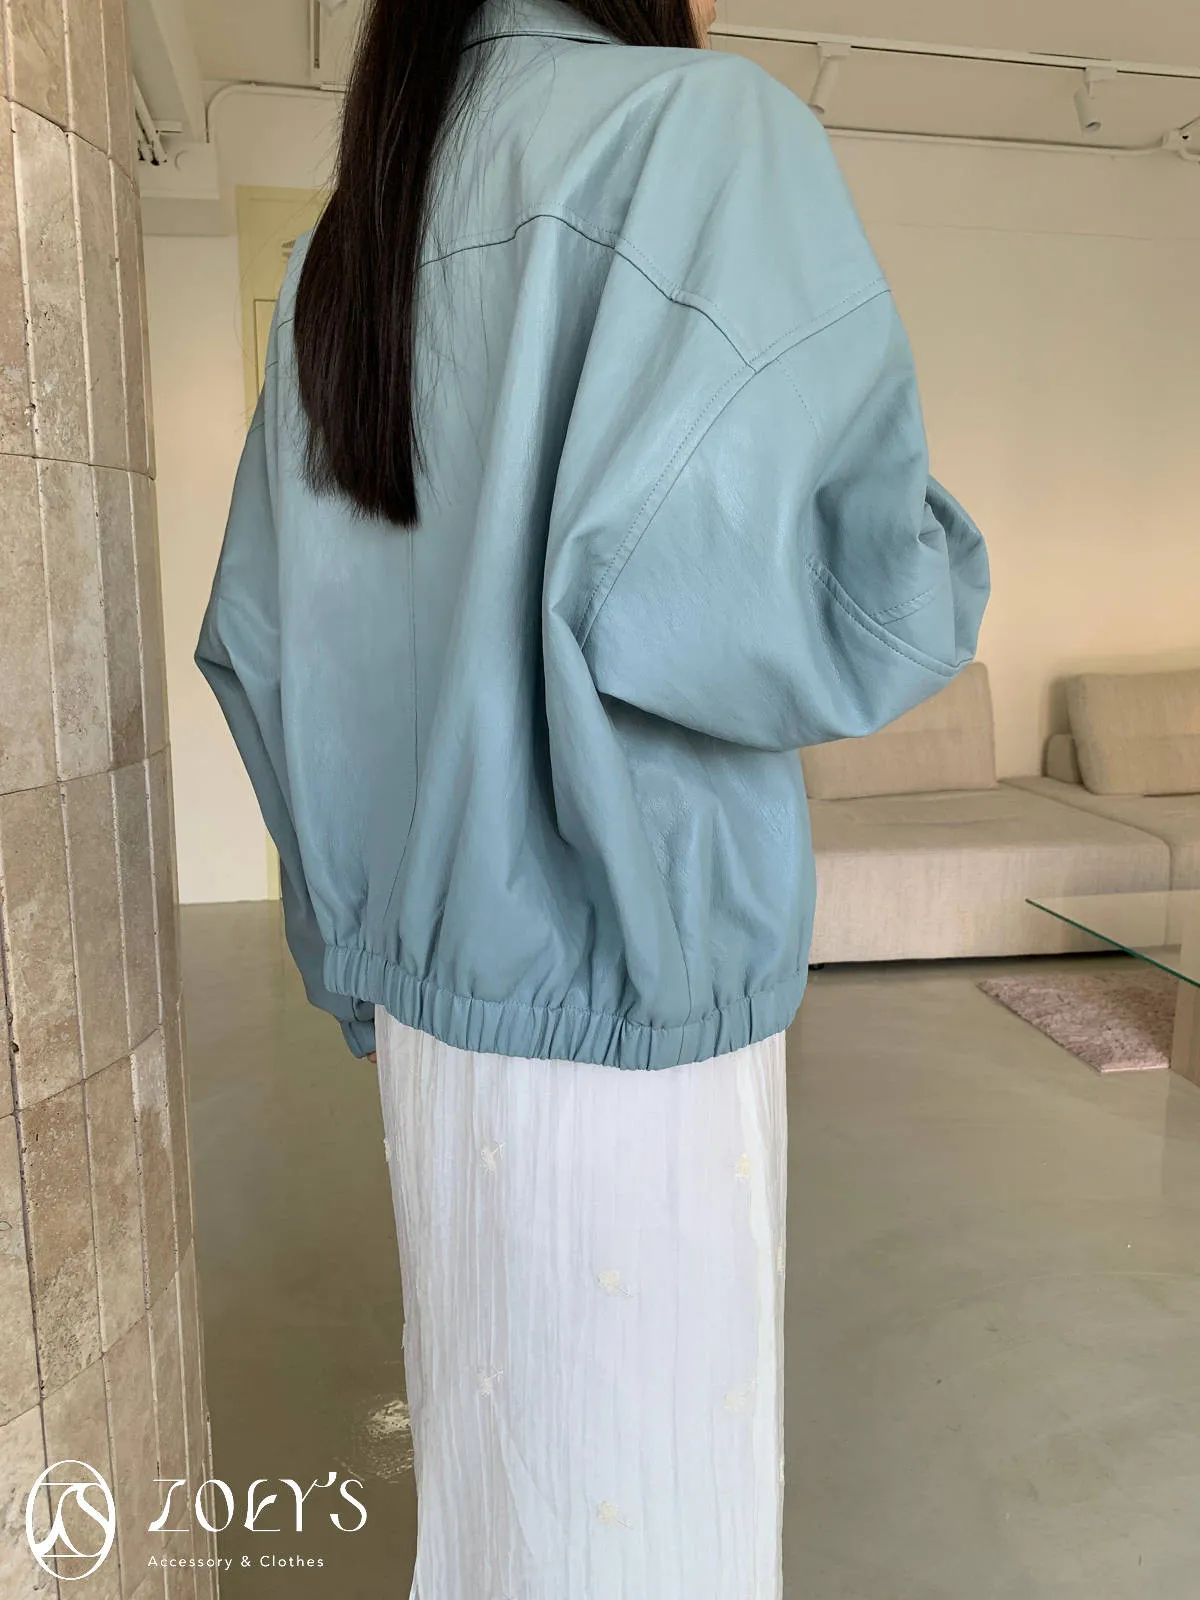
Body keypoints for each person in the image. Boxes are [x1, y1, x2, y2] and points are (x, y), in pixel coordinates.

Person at [196, 0, 989, 1593]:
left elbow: (259, 649)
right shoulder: (698, 135)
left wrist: (363, 965)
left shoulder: (351, 244)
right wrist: (935, 558)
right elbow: (843, 608)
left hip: (434, 1032)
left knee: (501, 1505)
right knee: (649, 1521)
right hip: (630, 1027)